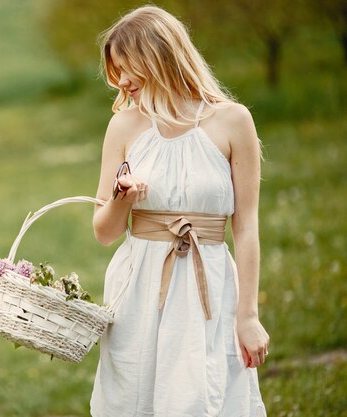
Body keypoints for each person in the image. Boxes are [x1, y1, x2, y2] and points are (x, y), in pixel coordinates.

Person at [90, 5, 269, 417]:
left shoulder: (232, 122)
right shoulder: (124, 126)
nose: (123, 81)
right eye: (116, 70)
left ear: (161, 56)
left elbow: (245, 228)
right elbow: (102, 231)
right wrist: (123, 199)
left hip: (209, 285)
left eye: (129, 67)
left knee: (203, 396)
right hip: (140, 287)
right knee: (136, 397)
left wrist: (248, 316)